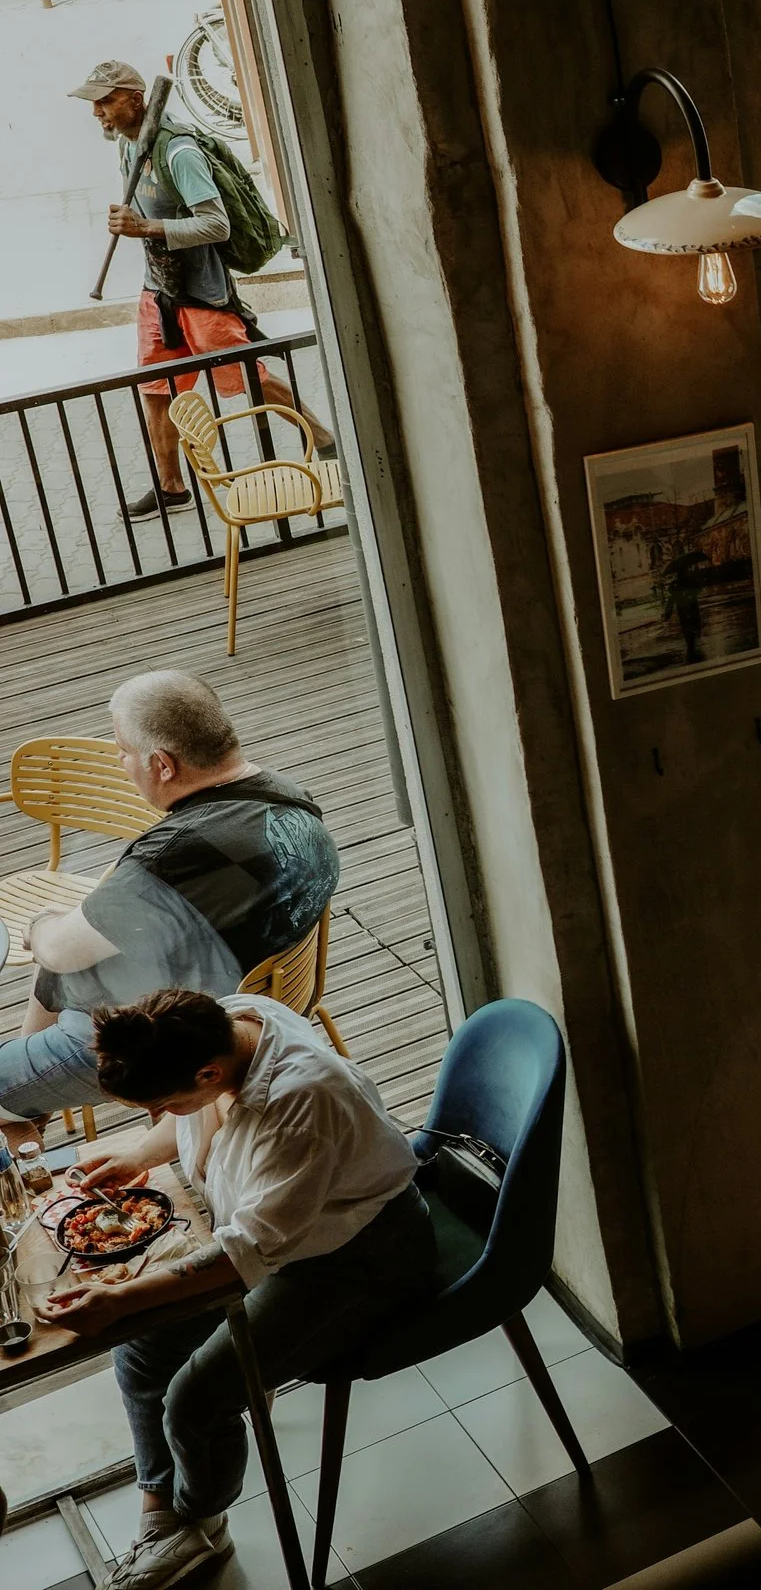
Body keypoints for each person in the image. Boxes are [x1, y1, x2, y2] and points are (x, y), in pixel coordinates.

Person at [39, 988, 431, 1589]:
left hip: (359, 1254)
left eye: (168, 1104)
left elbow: (241, 1253)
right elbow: (199, 1119)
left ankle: (201, 1521)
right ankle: (162, 1510)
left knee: (196, 1398)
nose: (166, 1116)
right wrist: (138, 1153)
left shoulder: (302, 1100)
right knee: (141, 1347)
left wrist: (122, 1296)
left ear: (208, 1073)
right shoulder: (225, 1021)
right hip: (284, 1237)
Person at [0, 671, 340, 1149]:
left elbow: (57, 953)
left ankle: (22, 1120)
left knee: (59, 946)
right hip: (246, 997)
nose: (120, 762)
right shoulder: (286, 797)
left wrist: (39, 923)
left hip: (154, 1041)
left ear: (161, 764)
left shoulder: (175, 854)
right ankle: (25, 1105)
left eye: (122, 750)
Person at [69, 62, 333, 521]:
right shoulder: (131, 148)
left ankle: (324, 440)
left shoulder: (180, 152)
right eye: (94, 102)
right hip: (158, 293)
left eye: (106, 101)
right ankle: (171, 487)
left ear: (135, 98)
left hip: (203, 297)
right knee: (155, 389)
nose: (97, 112)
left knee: (250, 378)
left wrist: (145, 226)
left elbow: (216, 224)